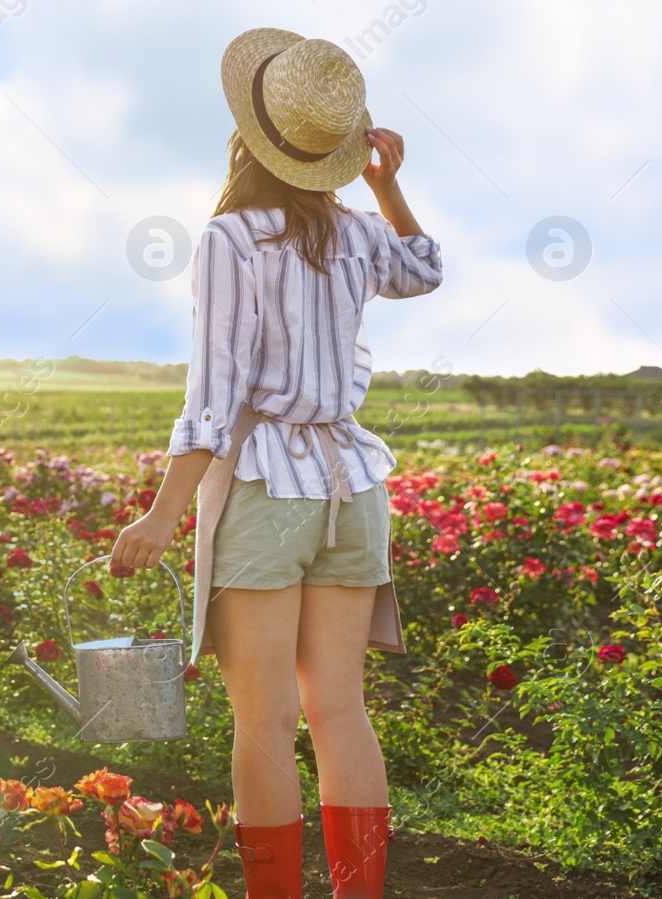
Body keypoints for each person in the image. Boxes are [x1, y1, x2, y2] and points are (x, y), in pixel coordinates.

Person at [110, 28, 443, 899]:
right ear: (335, 147)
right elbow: (425, 269)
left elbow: (214, 400)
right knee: (340, 712)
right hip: (352, 484)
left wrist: (161, 513)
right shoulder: (361, 231)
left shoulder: (231, 238)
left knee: (264, 722)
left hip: (264, 488)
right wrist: (389, 187)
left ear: (251, 133)